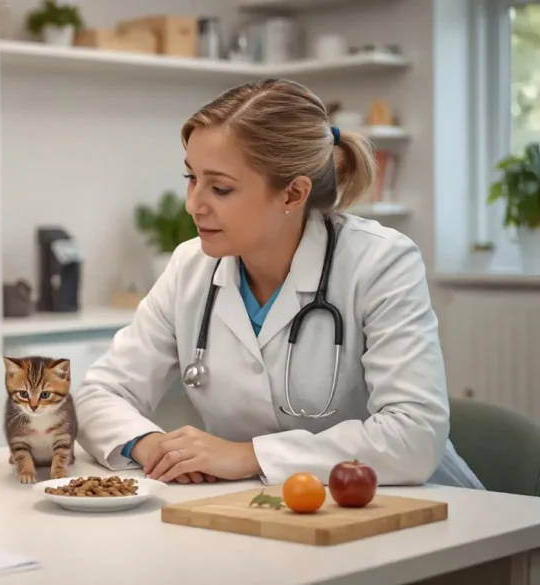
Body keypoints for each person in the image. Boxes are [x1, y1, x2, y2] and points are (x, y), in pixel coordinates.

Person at [73, 79, 484, 490]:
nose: (193, 204)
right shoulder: (190, 267)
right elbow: (100, 393)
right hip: (264, 510)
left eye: (220, 187)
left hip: (408, 508)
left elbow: (413, 438)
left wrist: (248, 455)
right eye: (191, 178)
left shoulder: (379, 262)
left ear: (293, 193)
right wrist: (152, 446)